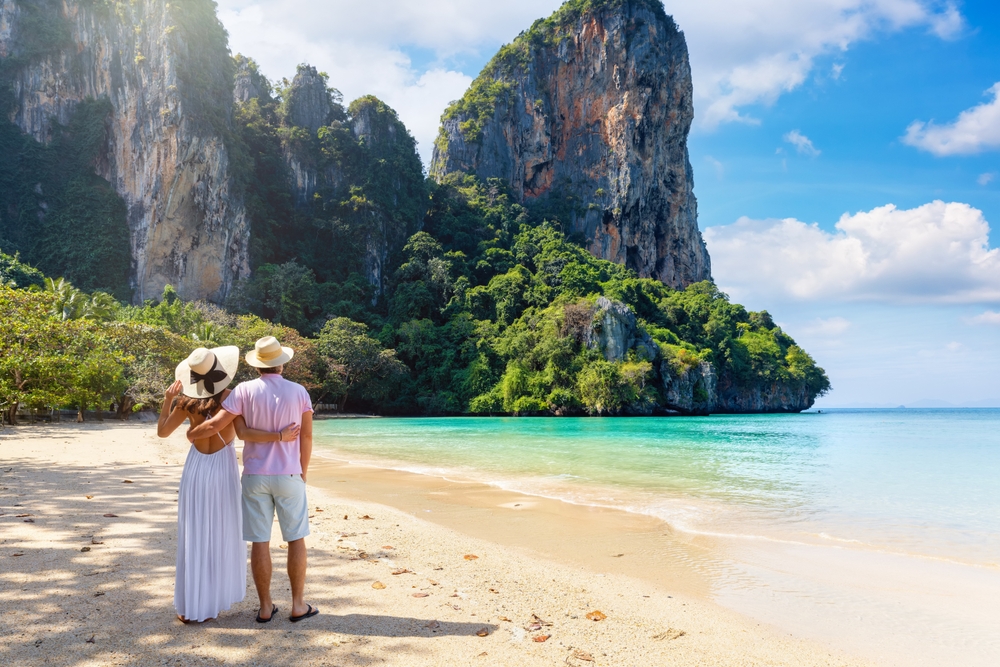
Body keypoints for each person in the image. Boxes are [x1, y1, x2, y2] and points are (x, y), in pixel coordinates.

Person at [157, 346, 299, 624]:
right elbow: (245, 433)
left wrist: (168, 400)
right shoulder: (232, 398)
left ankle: (191, 605)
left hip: (196, 468)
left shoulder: (186, 402)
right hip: (222, 468)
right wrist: (280, 436)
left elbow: (162, 432)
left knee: (194, 533)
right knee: (220, 533)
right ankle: (211, 601)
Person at [187, 336, 317, 624]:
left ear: (257, 365)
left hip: (255, 476)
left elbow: (217, 424)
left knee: (260, 542)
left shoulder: (243, 391)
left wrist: (192, 434)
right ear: (281, 363)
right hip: (288, 474)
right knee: (296, 538)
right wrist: (302, 470)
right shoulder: (299, 392)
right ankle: (298, 605)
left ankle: (266, 608)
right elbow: (306, 437)